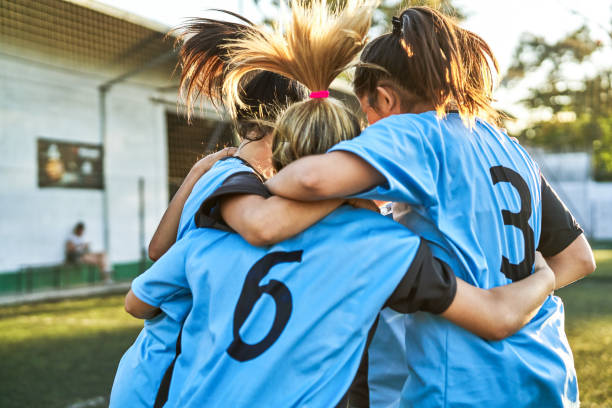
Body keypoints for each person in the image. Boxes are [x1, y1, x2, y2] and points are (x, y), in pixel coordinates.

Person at [124, 1, 555, 406]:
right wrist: (544, 279)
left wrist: (205, 171)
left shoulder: (219, 211)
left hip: (163, 383)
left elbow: (143, 293)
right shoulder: (383, 245)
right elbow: (497, 315)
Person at [263, 6, 596, 407]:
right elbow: (578, 258)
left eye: (367, 116)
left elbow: (310, 179)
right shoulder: (508, 146)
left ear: (385, 98)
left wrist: (261, 179)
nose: (367, 130)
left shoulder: (417, 131)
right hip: (548, 370)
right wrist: (525, 291)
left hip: (465, 382)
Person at [111, 13, 345, 408]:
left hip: (150, 367)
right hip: (166, 377)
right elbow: (261, 229)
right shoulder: (239, 185)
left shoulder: (221, 173)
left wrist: (193, 175)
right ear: (289, 120)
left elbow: (157, 252)